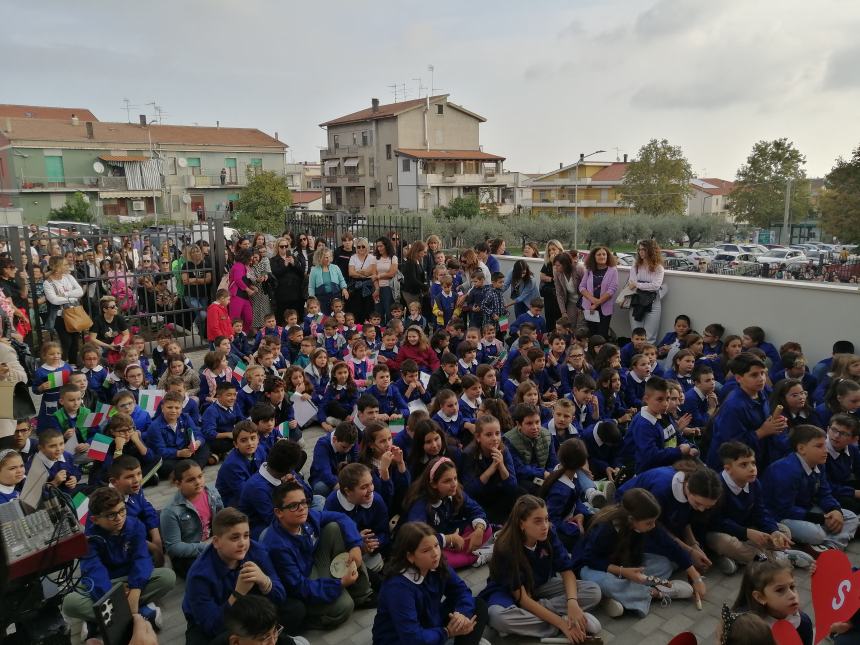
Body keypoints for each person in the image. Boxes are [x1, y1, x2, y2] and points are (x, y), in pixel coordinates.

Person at [479, 495, 602, 641]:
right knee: (497, 617)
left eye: (546, 518)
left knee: (593, 591)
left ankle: (554, 615)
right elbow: (523, 599)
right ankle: (566, 622)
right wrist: (562, 624)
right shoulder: (506, 548)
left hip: (541, 584)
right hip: (510, 592)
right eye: (537, 521)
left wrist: (572, 602)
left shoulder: (549, 532)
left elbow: (566, 571)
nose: (544, 525)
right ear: (521, 523)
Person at [62, 487, 176, 638]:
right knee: (69, 603)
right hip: (106, 583)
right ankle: (142, 611)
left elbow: (142, 559)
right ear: (94, 520)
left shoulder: (135, 525)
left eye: (122, 510)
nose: (119, 517)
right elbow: (93, 571)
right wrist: (112, 594)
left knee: (168, 577)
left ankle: (101, 618)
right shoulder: (89, 539)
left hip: (130, 578)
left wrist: (135, 590)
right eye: (111, 515)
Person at [262, 480, 374, 629]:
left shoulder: (306, 518)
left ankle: (362, 595)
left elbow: (341, 518)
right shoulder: (277, 546)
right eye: (294, 506)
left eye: (304, 502)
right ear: (279, 512)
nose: (302, 509)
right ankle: (309, 620)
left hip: (313, 561)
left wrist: (355, 545)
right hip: (303, 580)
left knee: (334, 527)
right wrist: (339, 584)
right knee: (345, 607)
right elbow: (299, 587)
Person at [574, 488, 703, 617]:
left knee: (664, 563)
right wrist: (622, 571)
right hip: (593, 567)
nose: (653, 526)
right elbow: (591, 559)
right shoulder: (604, 529)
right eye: (649, 523)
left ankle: (616, 596)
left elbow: (669, 543)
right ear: (631, 519)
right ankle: (655, 593)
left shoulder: (641, 522)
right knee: (606, 582)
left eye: (654, 522)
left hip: (622, 564)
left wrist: (696, 578)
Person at [182, 507, 298, 645]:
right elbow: (211, 626)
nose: (243, 543)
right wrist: (237, 594)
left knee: (295, 609)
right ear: (216, 542)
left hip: (251, 607)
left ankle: (265, 637)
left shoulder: (256, 550)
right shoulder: (199, 576)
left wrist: (264, 581)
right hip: (218, 616)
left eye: (246, 535)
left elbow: (280, 595)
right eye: (235, 537)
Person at [372, 521, 489, 645]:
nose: (435, 553)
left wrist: (462, 615)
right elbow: (412, 638)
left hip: (429, 623)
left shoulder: (437, 564)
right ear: (410, 556)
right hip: (400, 639)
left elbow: (461, 591)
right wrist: (447, 632)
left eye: (436, 545)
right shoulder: (397, 587)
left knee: (477, 605)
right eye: (426, 550)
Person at [763, 424, 859, 550]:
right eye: (819, 446)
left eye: (825, 444)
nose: (825, 450)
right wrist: (821, 519)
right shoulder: (786, 471)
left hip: (806, 508)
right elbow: (783, 509)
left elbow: (824, 493)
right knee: (816, 535)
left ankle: (830, 548)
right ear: (801, 449)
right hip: (779, 516)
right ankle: (823, 541)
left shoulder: (819, 463)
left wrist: (835, 510)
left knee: (850, 517)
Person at [733, 559, 813, 645]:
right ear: (760, 597)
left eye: (792, 586)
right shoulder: (745, 628)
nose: (792, 595)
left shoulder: (803, 622)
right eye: (780, 590)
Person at [43, 256, 85, 362]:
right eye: (65, 264)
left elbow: (80, 292)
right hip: (60, 315)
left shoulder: (69, 277)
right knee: (66, 341)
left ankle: (73, 363)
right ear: (56, 267)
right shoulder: (48, 283)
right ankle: (62, 363)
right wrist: (72, 298)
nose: (68, 266)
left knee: (75, 340)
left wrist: (65, 294)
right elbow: (54, 300)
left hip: (74, 312)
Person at [627, 239, 665, 344]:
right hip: (637, 300)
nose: (641, 252)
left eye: (644, 249)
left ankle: (648, 359)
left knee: (650, 336)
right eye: (639, 250)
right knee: (636, 333)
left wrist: (638, 284)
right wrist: (642, 285)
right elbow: (632, 283)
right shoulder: (636, 265)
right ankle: (636, 359)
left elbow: (655, 286)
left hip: (653, 302)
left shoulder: (658, 268)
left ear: (651, 250)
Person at [579, 245, 619, 338]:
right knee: (591, 334)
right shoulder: (589, 270)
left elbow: (612, 290)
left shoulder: (613, 271)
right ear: (594, 257)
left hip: (604, 308)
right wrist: (592, 300)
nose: (602, 256)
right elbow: (581, 287)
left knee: (602, 334)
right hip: (589, 307)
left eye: (604, 254)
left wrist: (596, 304)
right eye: (599, 254)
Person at [270, 237, 305, 323]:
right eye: (282, 246)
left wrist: (294, 264)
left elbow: (301, 273)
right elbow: (275, 274)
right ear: (277, 247)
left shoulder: (293, 258)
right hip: (282, 294)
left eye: (286, 246)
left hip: (296, 293)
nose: (284, 248)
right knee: (282, 317)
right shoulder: (273, 260)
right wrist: (284, 265)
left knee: (296, 316)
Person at [182, 244, 213, 339]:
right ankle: (194, 325)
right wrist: (200, 280)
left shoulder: (205, 264)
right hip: (190, 295)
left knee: (202, 317)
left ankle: (200, 337)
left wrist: (193, 280)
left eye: (197, 251)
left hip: (203, 295)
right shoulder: (186, 265)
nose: (196, 253)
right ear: (190, 254)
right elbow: (185, 281)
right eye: (193, 252)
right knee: (203, 314)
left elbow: (208, 280)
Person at [308, 247, 349, 317]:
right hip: (321, 298)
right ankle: (320, 328)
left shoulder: (335, 267)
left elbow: (341, 280)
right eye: (326, 257)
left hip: (335, 296)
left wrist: (344, 289)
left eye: (329, 257)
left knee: (337, 317)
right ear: (320, 258)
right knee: (321, 317)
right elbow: (311, 286)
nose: (328, 259)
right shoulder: (314, 270)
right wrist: (312, 298)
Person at [347, 237, 378, 325]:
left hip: (368, 286)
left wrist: (359, 272)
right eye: (358, 247)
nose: (361, 248)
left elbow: (371, 272)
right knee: (356, 308)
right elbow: (351, 273)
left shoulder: (372, 258)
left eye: (363, 246)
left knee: (368, 308)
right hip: (356, 286)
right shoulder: (353, 257)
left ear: (367, 247)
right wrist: (363, 273)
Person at [553, 251, 584, 329]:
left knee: (581, 326)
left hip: (583, 301)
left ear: (565, 265)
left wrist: (583, 306)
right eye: (555, 265)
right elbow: (559, 293)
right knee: (570, 325)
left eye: (558, 265)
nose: (555, 268)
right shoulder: (557, 272)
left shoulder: (579, 269)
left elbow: (587, 288)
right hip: (571, 301)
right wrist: (563, 312)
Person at [228, 248, 256, 334]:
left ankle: (242, 335)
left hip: (244, 296)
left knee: (249, 318)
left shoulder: (245, 266)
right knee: (235, 319)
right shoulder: (238, 265)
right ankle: (234, 336)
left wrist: (251, 287)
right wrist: (248, 290)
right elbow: (238, 280)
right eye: (250, 259)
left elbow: (244, 280)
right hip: (237, 295)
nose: (251, 261)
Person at [401, 241, 429, 317]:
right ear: (418, 251)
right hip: (410, 292)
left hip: (416, 291)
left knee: (417, 313)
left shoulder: (417, 261)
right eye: (424, 252)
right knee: (414, 313)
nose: (425, 254)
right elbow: (412, 279)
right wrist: (424, 286)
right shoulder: (410, 262)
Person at [374, 236, 399, 323]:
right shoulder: (375, 259)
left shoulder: (393, 258)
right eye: (377, 246)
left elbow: (392, 273)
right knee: (378, 312)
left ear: (386, 245)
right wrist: (377, 288)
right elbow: (374, 276)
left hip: (389, 288)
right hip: (378, 288)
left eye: (381, 246)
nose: (379, 248)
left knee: (389, 312)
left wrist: (379, 276)